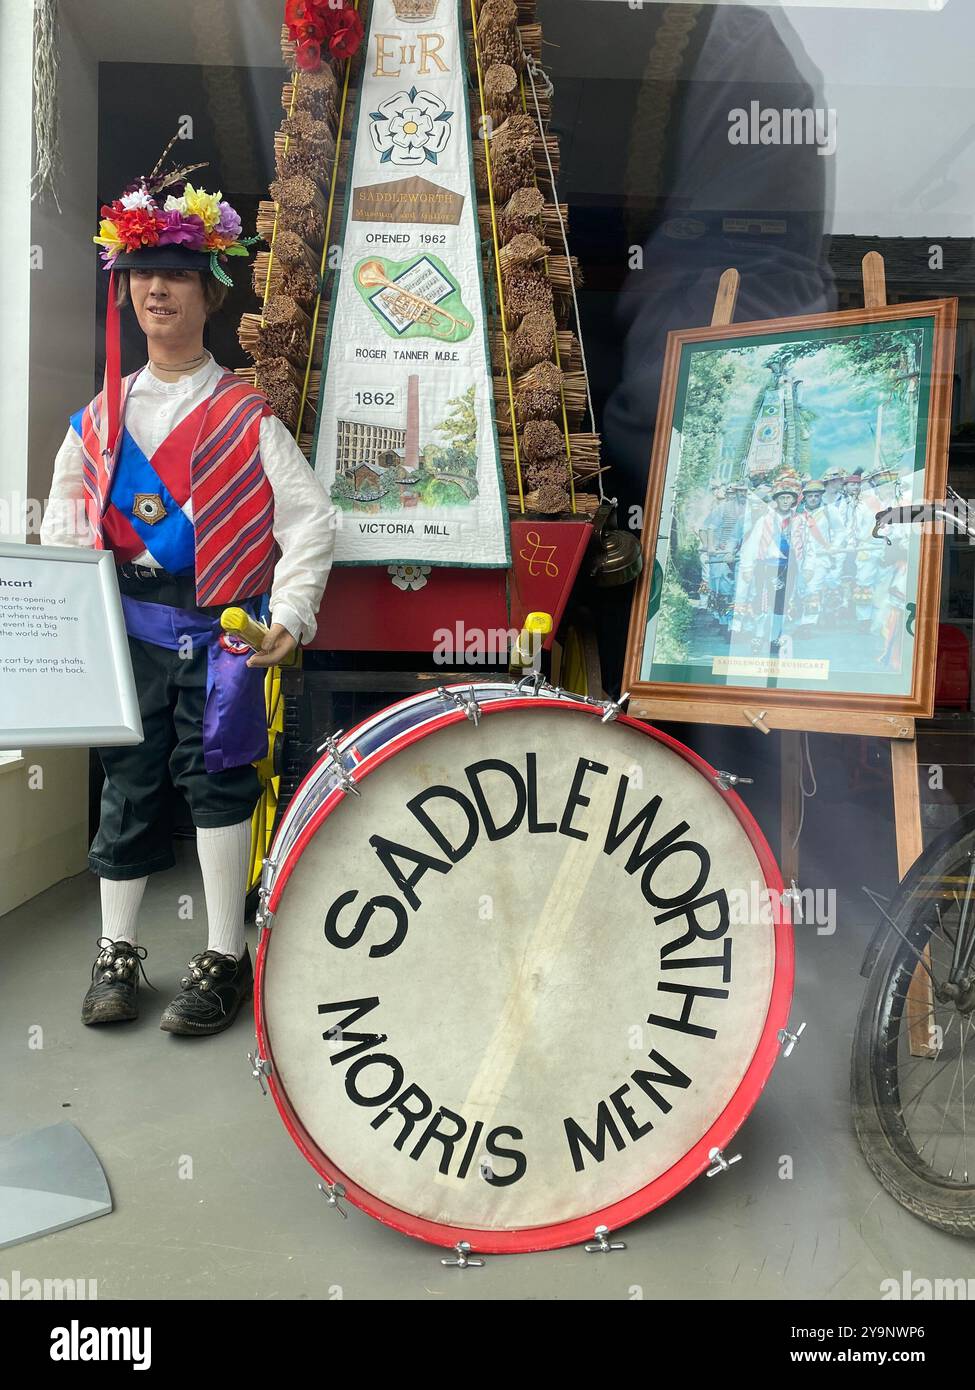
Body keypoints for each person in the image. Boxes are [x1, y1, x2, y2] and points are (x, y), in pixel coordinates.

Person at [40, 146, 335, 1036]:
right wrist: (64, 619)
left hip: (220, 634)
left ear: (211, 294)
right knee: (127, 785)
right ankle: (118, 952)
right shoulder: (96, 419)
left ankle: (221, 955)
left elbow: (310, 522)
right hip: (127, 630)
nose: (155, 291)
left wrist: (288, 615)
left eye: (175, 275)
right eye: (141, 276)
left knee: (218, 782)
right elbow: (60, 520)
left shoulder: (250, 417)